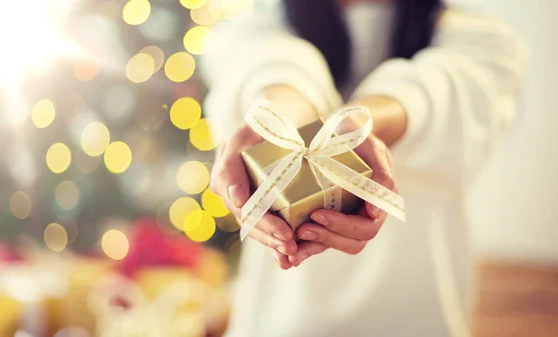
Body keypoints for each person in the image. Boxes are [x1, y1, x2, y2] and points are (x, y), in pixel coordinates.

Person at [201, 0, 527, 336]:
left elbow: (441, 88)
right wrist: (284, 122)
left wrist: (358, 127)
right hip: (282, 319)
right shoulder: (257, 25)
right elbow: (275, 66)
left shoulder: (480, 41)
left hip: (415, 315)